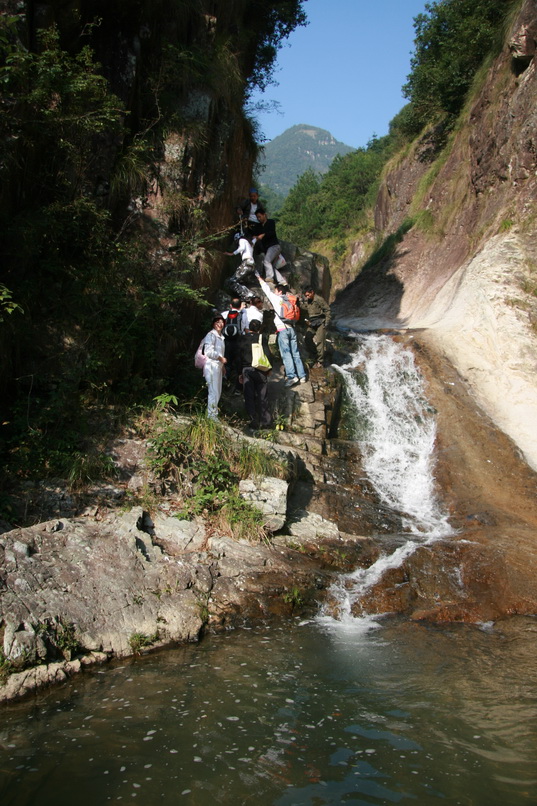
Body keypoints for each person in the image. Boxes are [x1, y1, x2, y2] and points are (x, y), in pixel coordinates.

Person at [256, 272, 307, 387]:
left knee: (286, 354)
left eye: (276, 290)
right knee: (295, 353)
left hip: (282, 330)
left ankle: (291, 376)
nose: (274, 292)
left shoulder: (277, 299)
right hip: (291, 329)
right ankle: (302, 376)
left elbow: (266, 290)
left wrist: (260, 279)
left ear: (279, 291)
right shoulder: (290, 300)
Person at [238, 319, 272, 431]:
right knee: (263, 396)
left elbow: (239, 356)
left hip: (247, 369)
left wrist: (239, 373)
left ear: (249, 328)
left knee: (249, 396)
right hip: (261, 369)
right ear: (259, 328)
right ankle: (266, 422)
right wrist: (269, 369)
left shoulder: (243, 338)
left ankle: (253, 420)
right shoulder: (261, 338)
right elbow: (267, 353)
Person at [252, 208, 287, 285]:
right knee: (271, 266)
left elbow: (271, 232)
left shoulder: (271, 222)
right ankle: (282, 281)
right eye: (257, 217)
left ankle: (269, 278)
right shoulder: (258, 226)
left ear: (264, 215)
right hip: (268, 249)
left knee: (266, 261)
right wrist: (256, 237)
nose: (259, 219)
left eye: (260, 216)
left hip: (274, 246)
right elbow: (255, 234)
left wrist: (263, 235)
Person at [202, 314, 227, 419]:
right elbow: (208, 351)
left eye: (221, 322)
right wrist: (220, 358)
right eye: (217, 322)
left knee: (218, 391)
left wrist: (222, 366)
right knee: (213, 391)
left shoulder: (221, 337)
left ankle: (213, 415)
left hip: (218, 366)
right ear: (213, 323)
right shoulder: (211, 335)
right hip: (211, 366)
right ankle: (211, 416)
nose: (220, 324)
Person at [301, 286, 331, 367]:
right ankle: (314, 354)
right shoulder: (308, 300)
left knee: (320, 342)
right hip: (312, 323)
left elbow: (327, 310)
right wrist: (298, 303)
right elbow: (306, 307)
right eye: (306, 295)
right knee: (307, 338)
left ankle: (320, 361)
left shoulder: (319, 299)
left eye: (308, 295)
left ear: (312, 292)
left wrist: (326, 322)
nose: (307, 297)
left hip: (320, 322)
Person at [224, 232, 256, 301]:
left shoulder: (242, 240)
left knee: (232, 281)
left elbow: (242, 248)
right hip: (251, 264)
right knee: (240, 281)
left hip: (246, 263)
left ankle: (249, 294)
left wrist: (232, 254)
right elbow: (255, 240)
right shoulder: (250, 243)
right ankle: (245, 295)